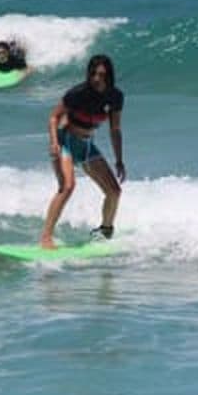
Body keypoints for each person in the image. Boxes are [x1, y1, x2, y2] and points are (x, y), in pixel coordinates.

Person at [40, 54, 125, 249]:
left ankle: (105, 231)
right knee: (67, 187)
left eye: (102, 75)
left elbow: (115, 129)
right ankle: (46, 237)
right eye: (94, 74)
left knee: (114, 191)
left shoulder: (115, 97)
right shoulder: (78, 93)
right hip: (65, 142)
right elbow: (54, 117)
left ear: (109, 76)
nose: (97, 79)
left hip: (87, 146)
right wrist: (54, 142)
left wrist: (119, 160)